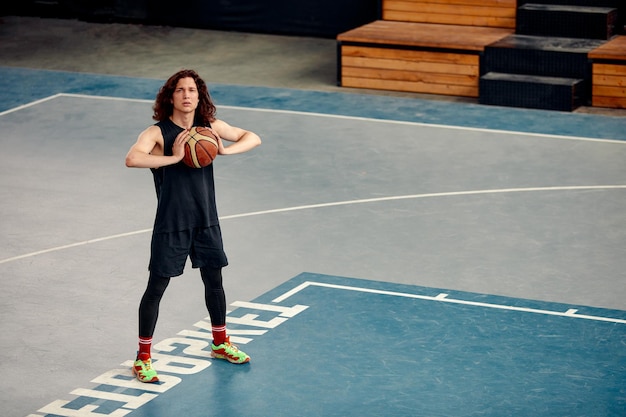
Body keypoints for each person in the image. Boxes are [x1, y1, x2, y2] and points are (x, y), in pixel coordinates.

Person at [125, 69, 261, 383]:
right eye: (180, 90)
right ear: (170, 96)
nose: (187, 95)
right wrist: (176, 157)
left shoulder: (210, 128)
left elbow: (253, 137)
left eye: (192, 90)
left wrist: (224, 149)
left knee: (214, 282)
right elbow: (132, 158)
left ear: (199, 97)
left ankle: (220, 342)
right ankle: (143, 358)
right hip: (171, 224)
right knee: (156, 289)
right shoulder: (157, 133)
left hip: (205, 219)